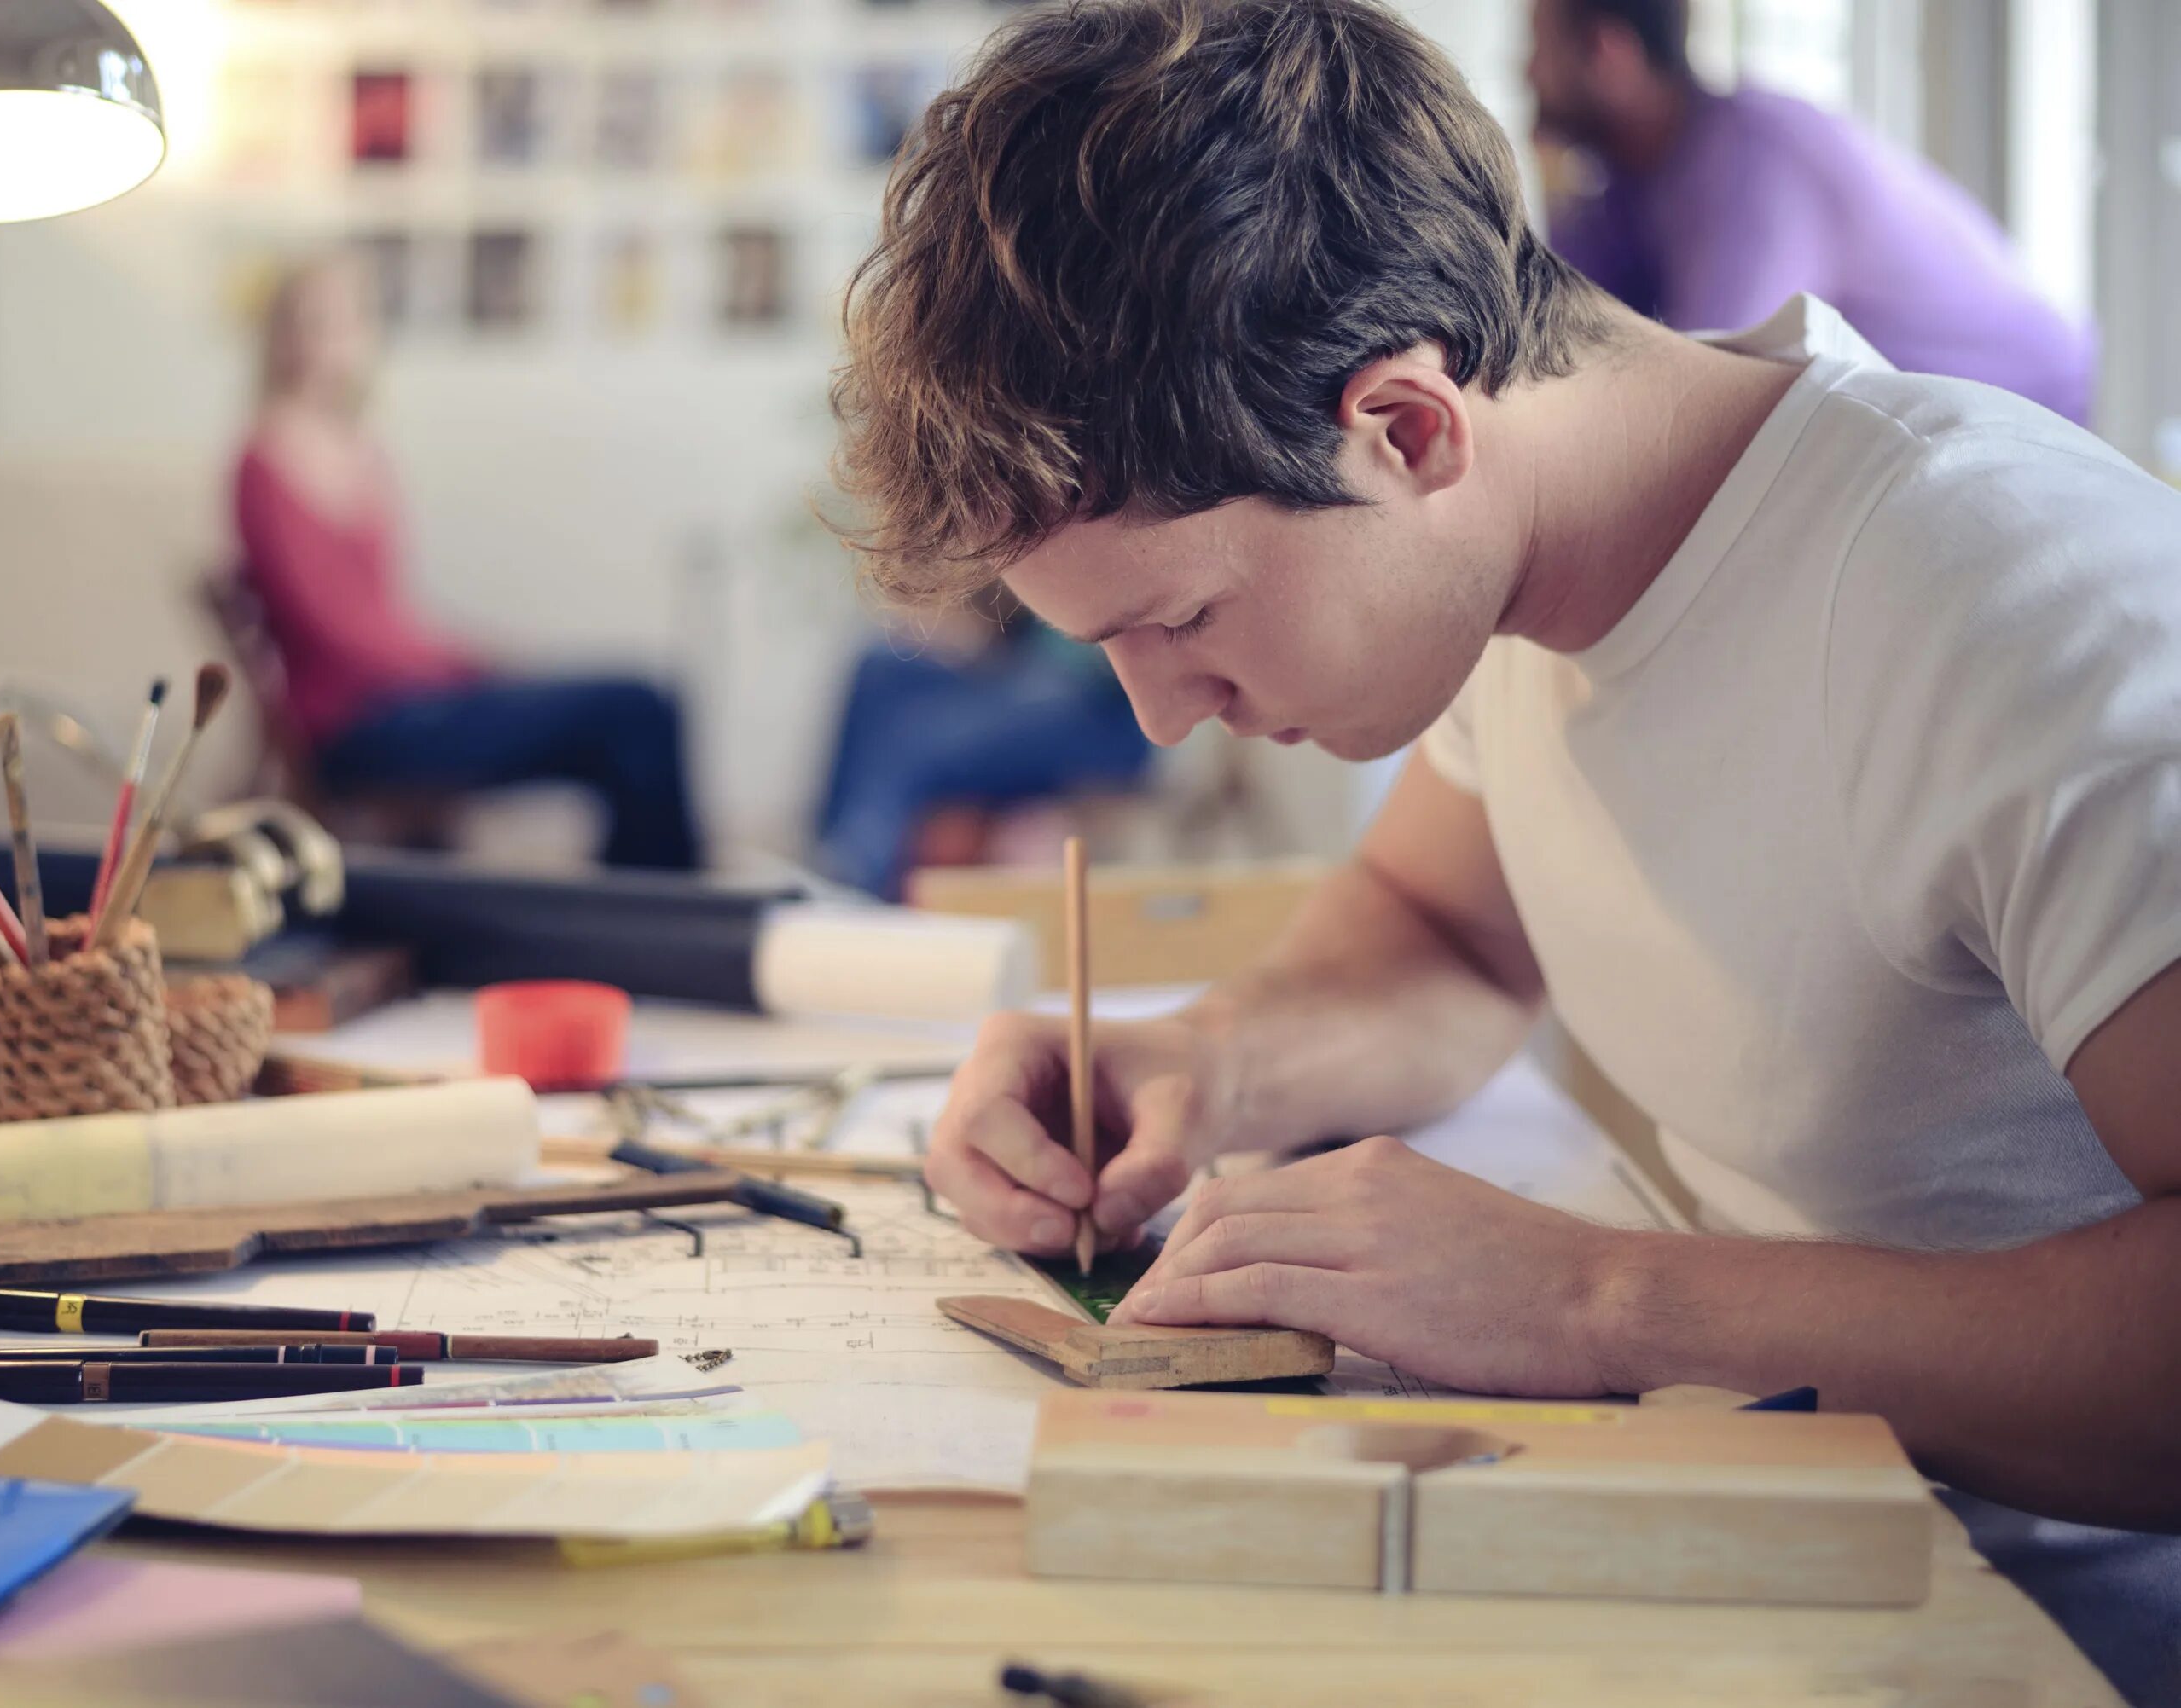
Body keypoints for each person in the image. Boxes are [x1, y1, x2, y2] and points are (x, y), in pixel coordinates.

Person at [829, 1, 2179, 1699]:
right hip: (1755, 1544)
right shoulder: (1521, 573)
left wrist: (1599, 1297)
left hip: (2034, 1640)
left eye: (1180, 620)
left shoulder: (2010, 602)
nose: (1164, 717)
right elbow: (1441, 936)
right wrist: (1192, 1063)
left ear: (1404, 429)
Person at [235, 259, 702, 871]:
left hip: (415, 698)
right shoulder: (263, 459)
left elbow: (388, 617)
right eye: (314, 323)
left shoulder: (363, 452)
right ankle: (663, 916)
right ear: (283, 336)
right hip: (358, 726)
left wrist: (469, 662)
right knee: (636, 708)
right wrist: (467, 669)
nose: (332, 340)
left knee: (641, 719)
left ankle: (637, 917)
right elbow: (335, 634)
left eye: (349, 322)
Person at [1527, 0, 2095, 421]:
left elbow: (1694, 395)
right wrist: (1557, 187)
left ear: (1609, 55)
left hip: (2031, 413)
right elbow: (1581, 327)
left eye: (1538, 48)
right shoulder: (1639, 173)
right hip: (1908, 427)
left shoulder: (1754, 168)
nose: (1527, 73)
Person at [814, 599, 1153, 900]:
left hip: (1098, 703)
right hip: (1028, 663)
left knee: (923, 745)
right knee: (879, 664)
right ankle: (838, 847)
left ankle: (864, 876)